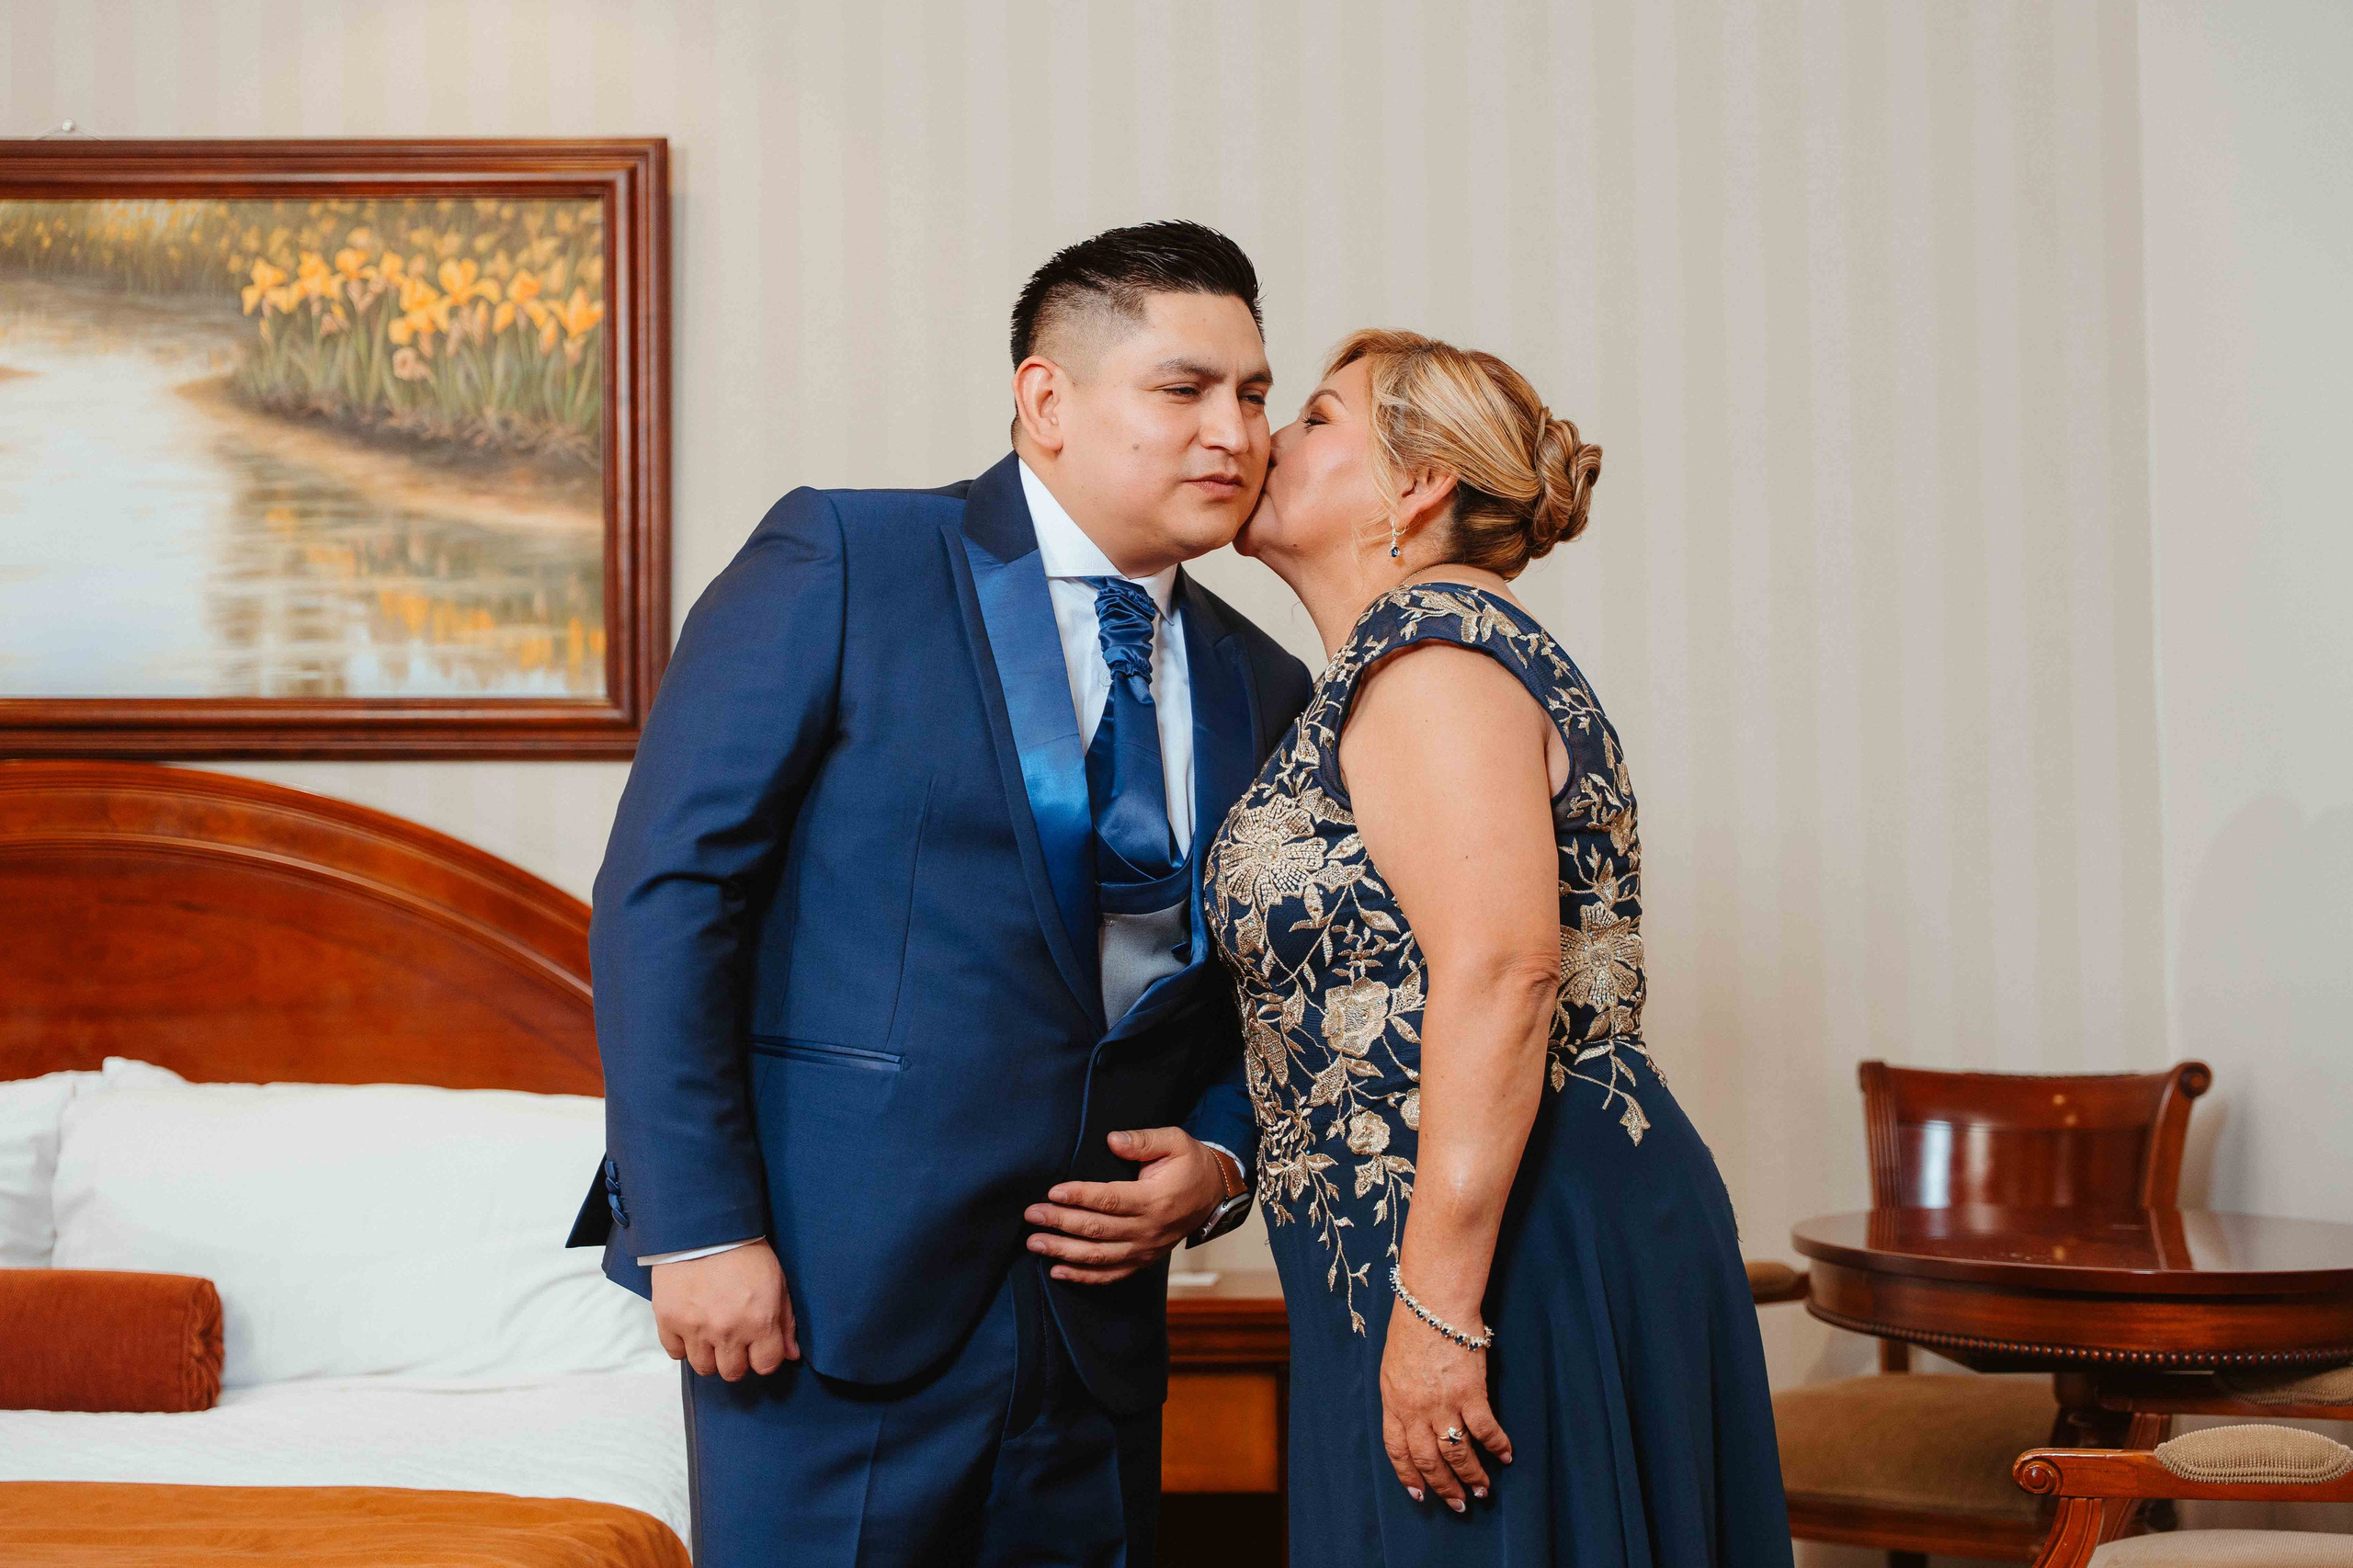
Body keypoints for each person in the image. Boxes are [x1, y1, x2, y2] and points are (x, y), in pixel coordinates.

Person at [569, 222, 1313, 1568]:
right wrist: (698, 1224)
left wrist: (1214, 1162)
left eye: (1256, 394)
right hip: (823, 1291)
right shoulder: (848, 560)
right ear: (1046, 401)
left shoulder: (1263, 679)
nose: (1235, 430)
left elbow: (1260, 993)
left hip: (1095, 1322)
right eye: (1184, 388)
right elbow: (667, 893)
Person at [1206, 330, 1792, 1563]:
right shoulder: (1396, 658)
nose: (1265, 437)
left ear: (1416, 485)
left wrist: (1438, 1307)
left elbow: (1500, 969)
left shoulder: (1431, 652)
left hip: (1504, 1251)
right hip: (1451, 1241)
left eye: (1313, 417)